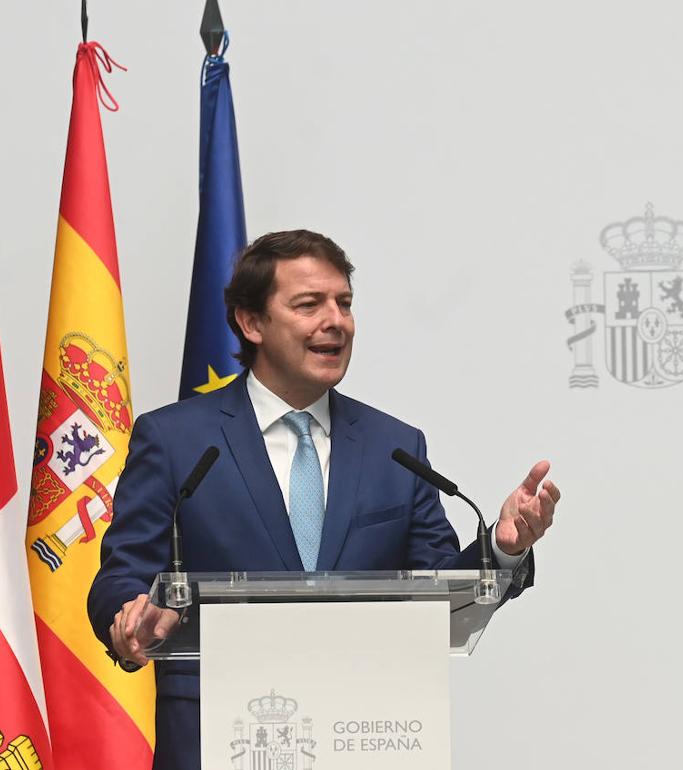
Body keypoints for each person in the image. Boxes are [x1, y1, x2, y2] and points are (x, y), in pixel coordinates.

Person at [88, 229, 560, 770]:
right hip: (220, 741)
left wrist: (500, 551)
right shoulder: (176, 441)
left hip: (365, 740)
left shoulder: (395, 446)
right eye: (309, 304)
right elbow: (122, 573)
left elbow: (439, 595)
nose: (335, 321)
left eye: (344, 303)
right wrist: (128, 619)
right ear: (252, 322)